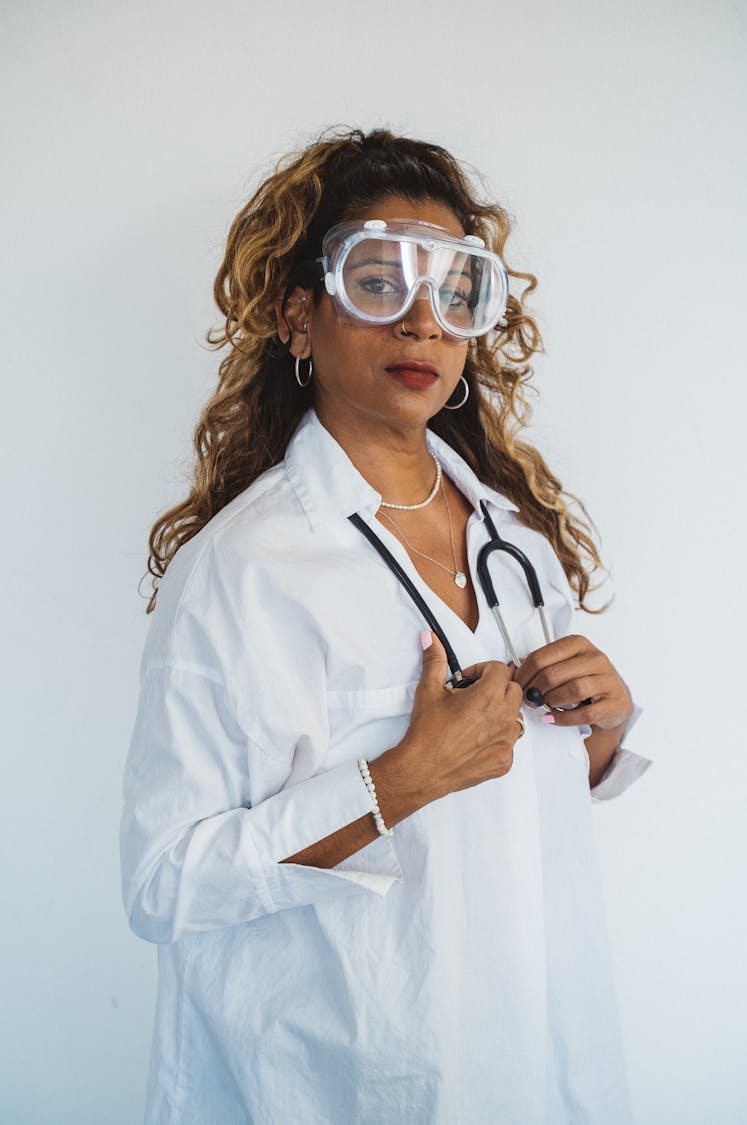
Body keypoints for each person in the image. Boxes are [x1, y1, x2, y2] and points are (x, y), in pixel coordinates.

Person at [120, 127, 652, 1125]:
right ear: (300, 315)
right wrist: (399, 780)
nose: (421, 320)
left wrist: (604, 733)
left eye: (456, 290)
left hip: (535, 1064)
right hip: (327, 1083)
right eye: (377, 281)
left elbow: (505, 814)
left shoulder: (516, 543)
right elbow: (166, 886)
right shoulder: (240, 572)